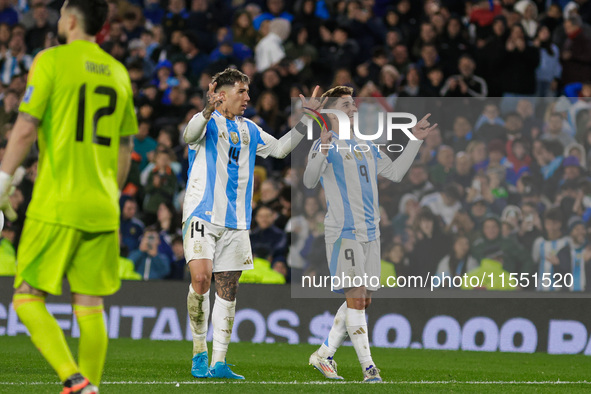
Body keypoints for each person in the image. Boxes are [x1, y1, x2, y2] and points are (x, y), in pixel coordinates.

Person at [0, 1, 137, 392]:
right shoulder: (119, 72)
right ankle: (90, 388)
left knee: (26, 297)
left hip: (58, 201)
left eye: (61, 14)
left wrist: (2, 181)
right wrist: (110, 193)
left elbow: (26, 128)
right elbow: (124, 149)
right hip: (102, 205)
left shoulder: (51, 60)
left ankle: (74, 378)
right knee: (90, 306)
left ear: (72, 19)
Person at [182, 68, 319, 380]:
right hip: (202, 213)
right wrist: (206, 107)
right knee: (201, 279)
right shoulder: (207, 122)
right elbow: (189, 135)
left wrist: (307, 119)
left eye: (247, 91)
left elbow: (281, 150)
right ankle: (198, 351)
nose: (247, 97)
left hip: (237, 221)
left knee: (228, 289)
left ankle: (219, 362)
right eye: (241, 92)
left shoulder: (250, 129)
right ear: (222, 94)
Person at [303, 86, 436, 382]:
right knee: (357, 296)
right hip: (343, 232)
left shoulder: (366, 145)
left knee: (364, 300)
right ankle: (369, 368)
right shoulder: (326, 143)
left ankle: (324, 355)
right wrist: (322, 150)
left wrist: (414, 139)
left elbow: (395, 173)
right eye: (348, 104)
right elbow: (310, 181)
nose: (354, 108)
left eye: (353, 104)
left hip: (371, 233)